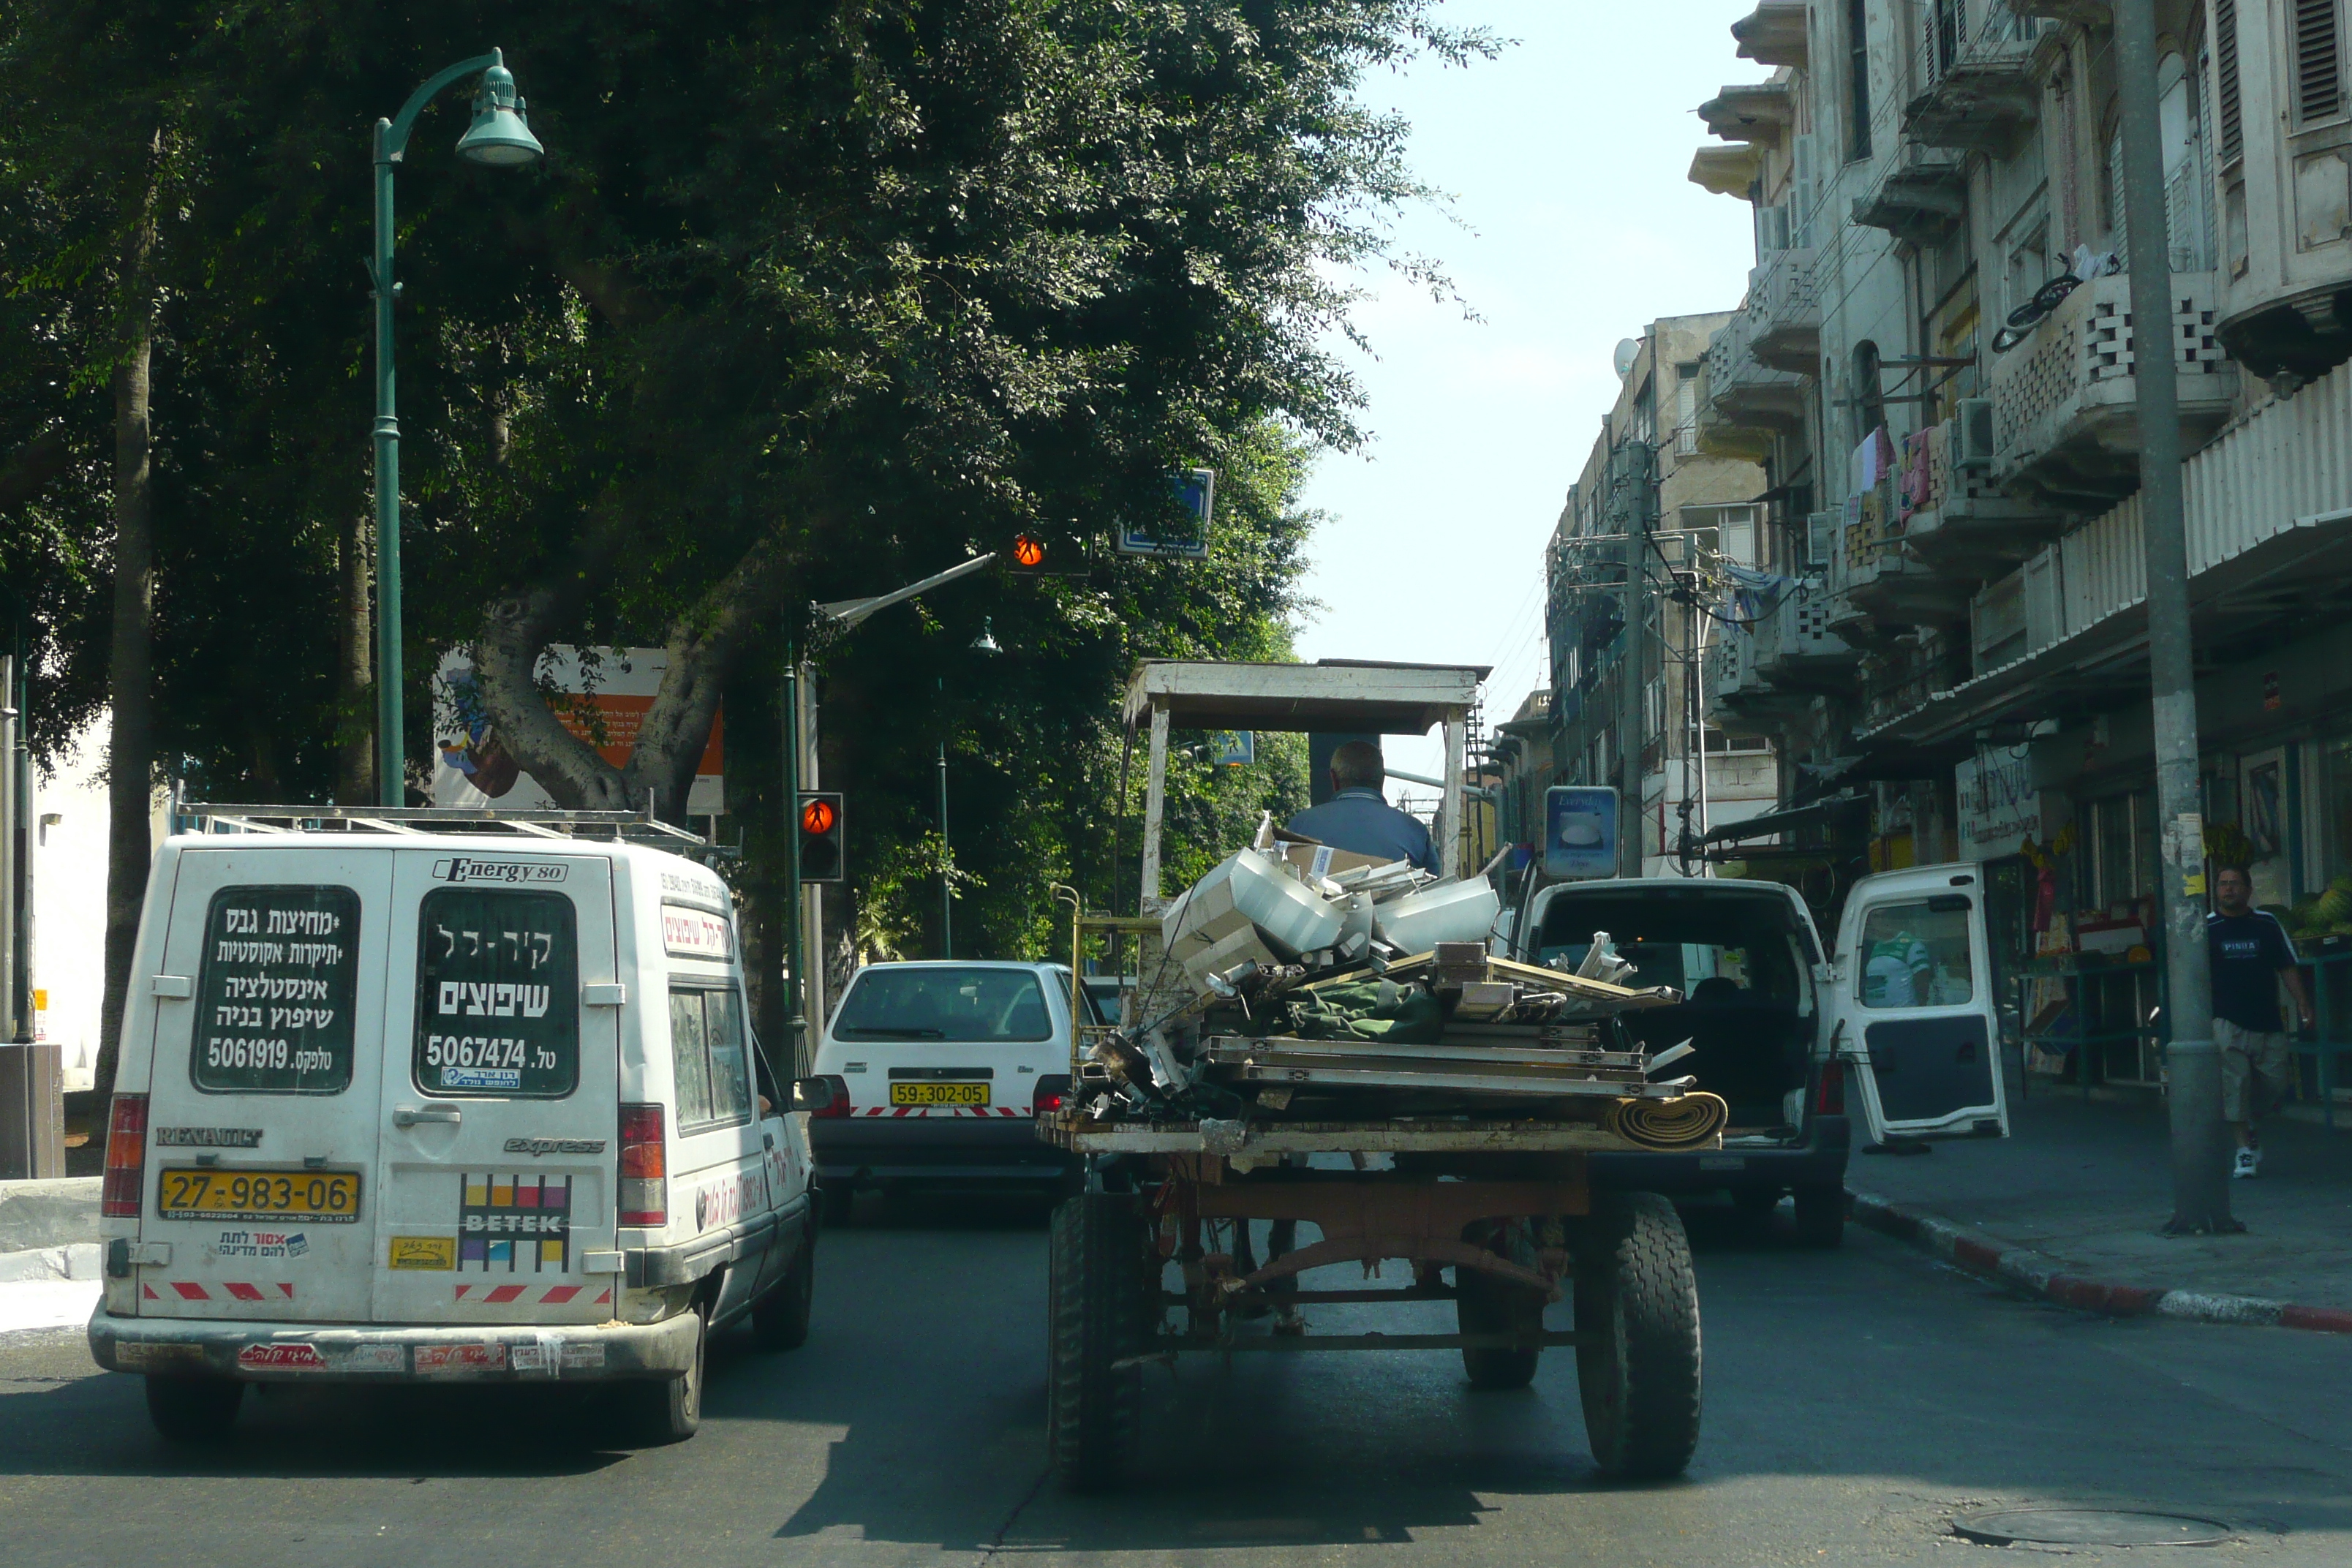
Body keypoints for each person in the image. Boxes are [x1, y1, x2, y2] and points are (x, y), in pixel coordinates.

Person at [2206, 864, 2313, 1179]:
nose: (2229, 889)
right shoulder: (2208, 928)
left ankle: (2249, 1121)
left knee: (2277, 1086)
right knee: (2234, 1085)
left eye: (2235, 884)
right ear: (2216, 890)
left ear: (2249, 889)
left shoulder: (2267, 924)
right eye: (2223, 884)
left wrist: (2303, 1002)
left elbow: (2287, 965)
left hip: (2267, 1020)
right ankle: (2244, 1152)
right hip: (2226, 1021)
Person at [1283, 739, 1438, 874]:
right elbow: (1436, 889)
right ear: (1382, 779)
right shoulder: (1416, 830)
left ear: (1334, 778)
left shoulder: (1300, 825)